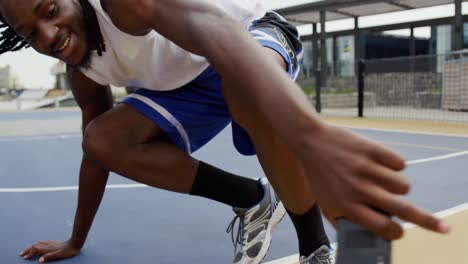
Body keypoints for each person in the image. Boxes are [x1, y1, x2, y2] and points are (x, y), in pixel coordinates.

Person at [0, 0, 449, 263]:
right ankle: (253, 200)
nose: (47, 34)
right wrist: (76, 241)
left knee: (251, 92)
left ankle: (315, 249)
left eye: (50, 10)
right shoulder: (84, 69)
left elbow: (210, 28)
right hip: (183, 87)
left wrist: (309, 135)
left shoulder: (119, 5)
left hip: (243, 37)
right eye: (29, 32)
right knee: (101, 138)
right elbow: (96, 155)